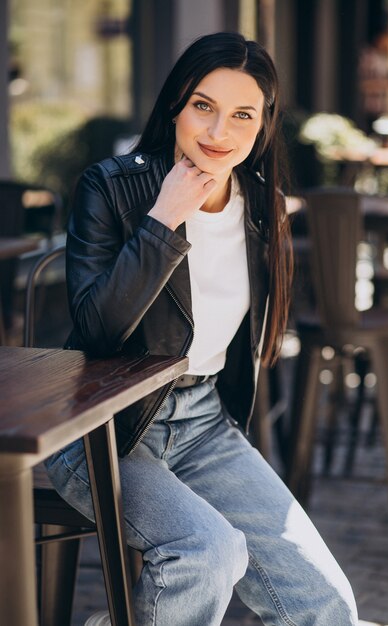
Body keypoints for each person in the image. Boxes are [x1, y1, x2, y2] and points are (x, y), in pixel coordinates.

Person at [45, 32, 358, 626]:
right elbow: (96, 333)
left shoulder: (262, 204)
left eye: (243, 115)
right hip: (105, 429)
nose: (219, 133)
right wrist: (164, 221)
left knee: (327, 606)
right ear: (176, 107)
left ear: (264, 126)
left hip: (203, 424)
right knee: (209, 554)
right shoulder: (112, 188)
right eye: (203, 106)